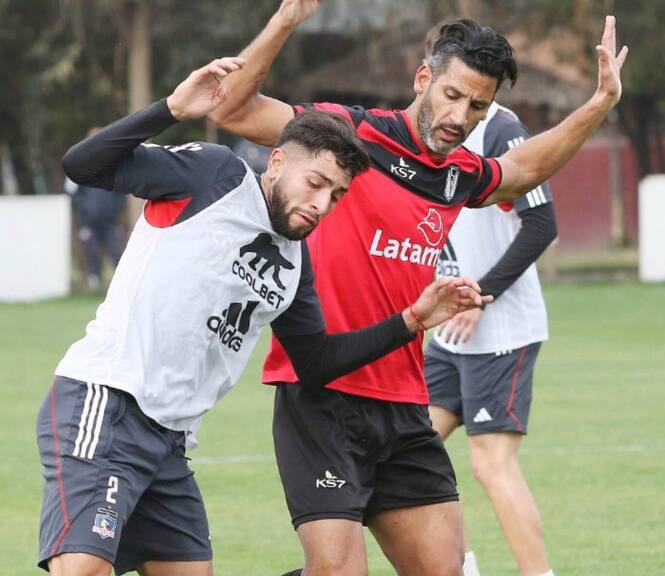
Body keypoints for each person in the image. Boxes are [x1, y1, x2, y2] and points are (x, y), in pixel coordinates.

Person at [210, 2, 627, 574]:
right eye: (452, 95)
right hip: (322, 400)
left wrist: (600, 102)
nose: (460, 115)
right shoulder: (351, 135)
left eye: (477, 106)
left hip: (405, 408)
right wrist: (285, 19)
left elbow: (525, 170)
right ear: (424, 78)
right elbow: (232, 109)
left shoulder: (457, 176)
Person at [37, 56, 489, 576]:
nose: (322, 204)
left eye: (337, 195)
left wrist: (412, 318)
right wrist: (171, 108)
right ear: (277, 164)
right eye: (315, 183)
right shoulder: (216, 175)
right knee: (82, 570)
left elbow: (317, 361)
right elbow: (83, 165)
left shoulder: (295, 261)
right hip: (108, 399)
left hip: (170, 437)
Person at [421, 21, 558, 576]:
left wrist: (483, 297)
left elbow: (542, 223)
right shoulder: (424, 132)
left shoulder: (501, 132)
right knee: (411, 448)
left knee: (491, 464)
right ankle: (464, 567)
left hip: (502, 332)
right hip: (447, 332)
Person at [64, 127, 126, 290]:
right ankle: (94, 284)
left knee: (117, 252)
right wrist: (86, 207)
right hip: (88, 221)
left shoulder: (112, 163)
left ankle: (122, 285)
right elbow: (71, 192)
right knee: (91, 253)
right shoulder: (78, 163)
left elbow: (121, 191)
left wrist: (114, 208)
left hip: (109, 221)